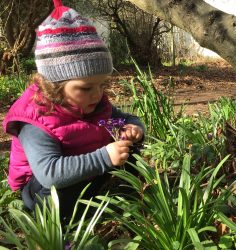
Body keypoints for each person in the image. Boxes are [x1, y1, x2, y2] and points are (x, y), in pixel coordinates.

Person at [2, 0, 145, 219]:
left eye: (102, 85)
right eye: (86, 87)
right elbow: (49, 173)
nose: (97, 94)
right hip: (41, 189)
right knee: (59, 197)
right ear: (54, 85)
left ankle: (125, 197)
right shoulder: (36, 120)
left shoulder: (95, 103)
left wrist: (134, 128)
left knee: (128, 147)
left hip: (84, 170)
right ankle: (80, 214)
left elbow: (126, 118)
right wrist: (104, 158)